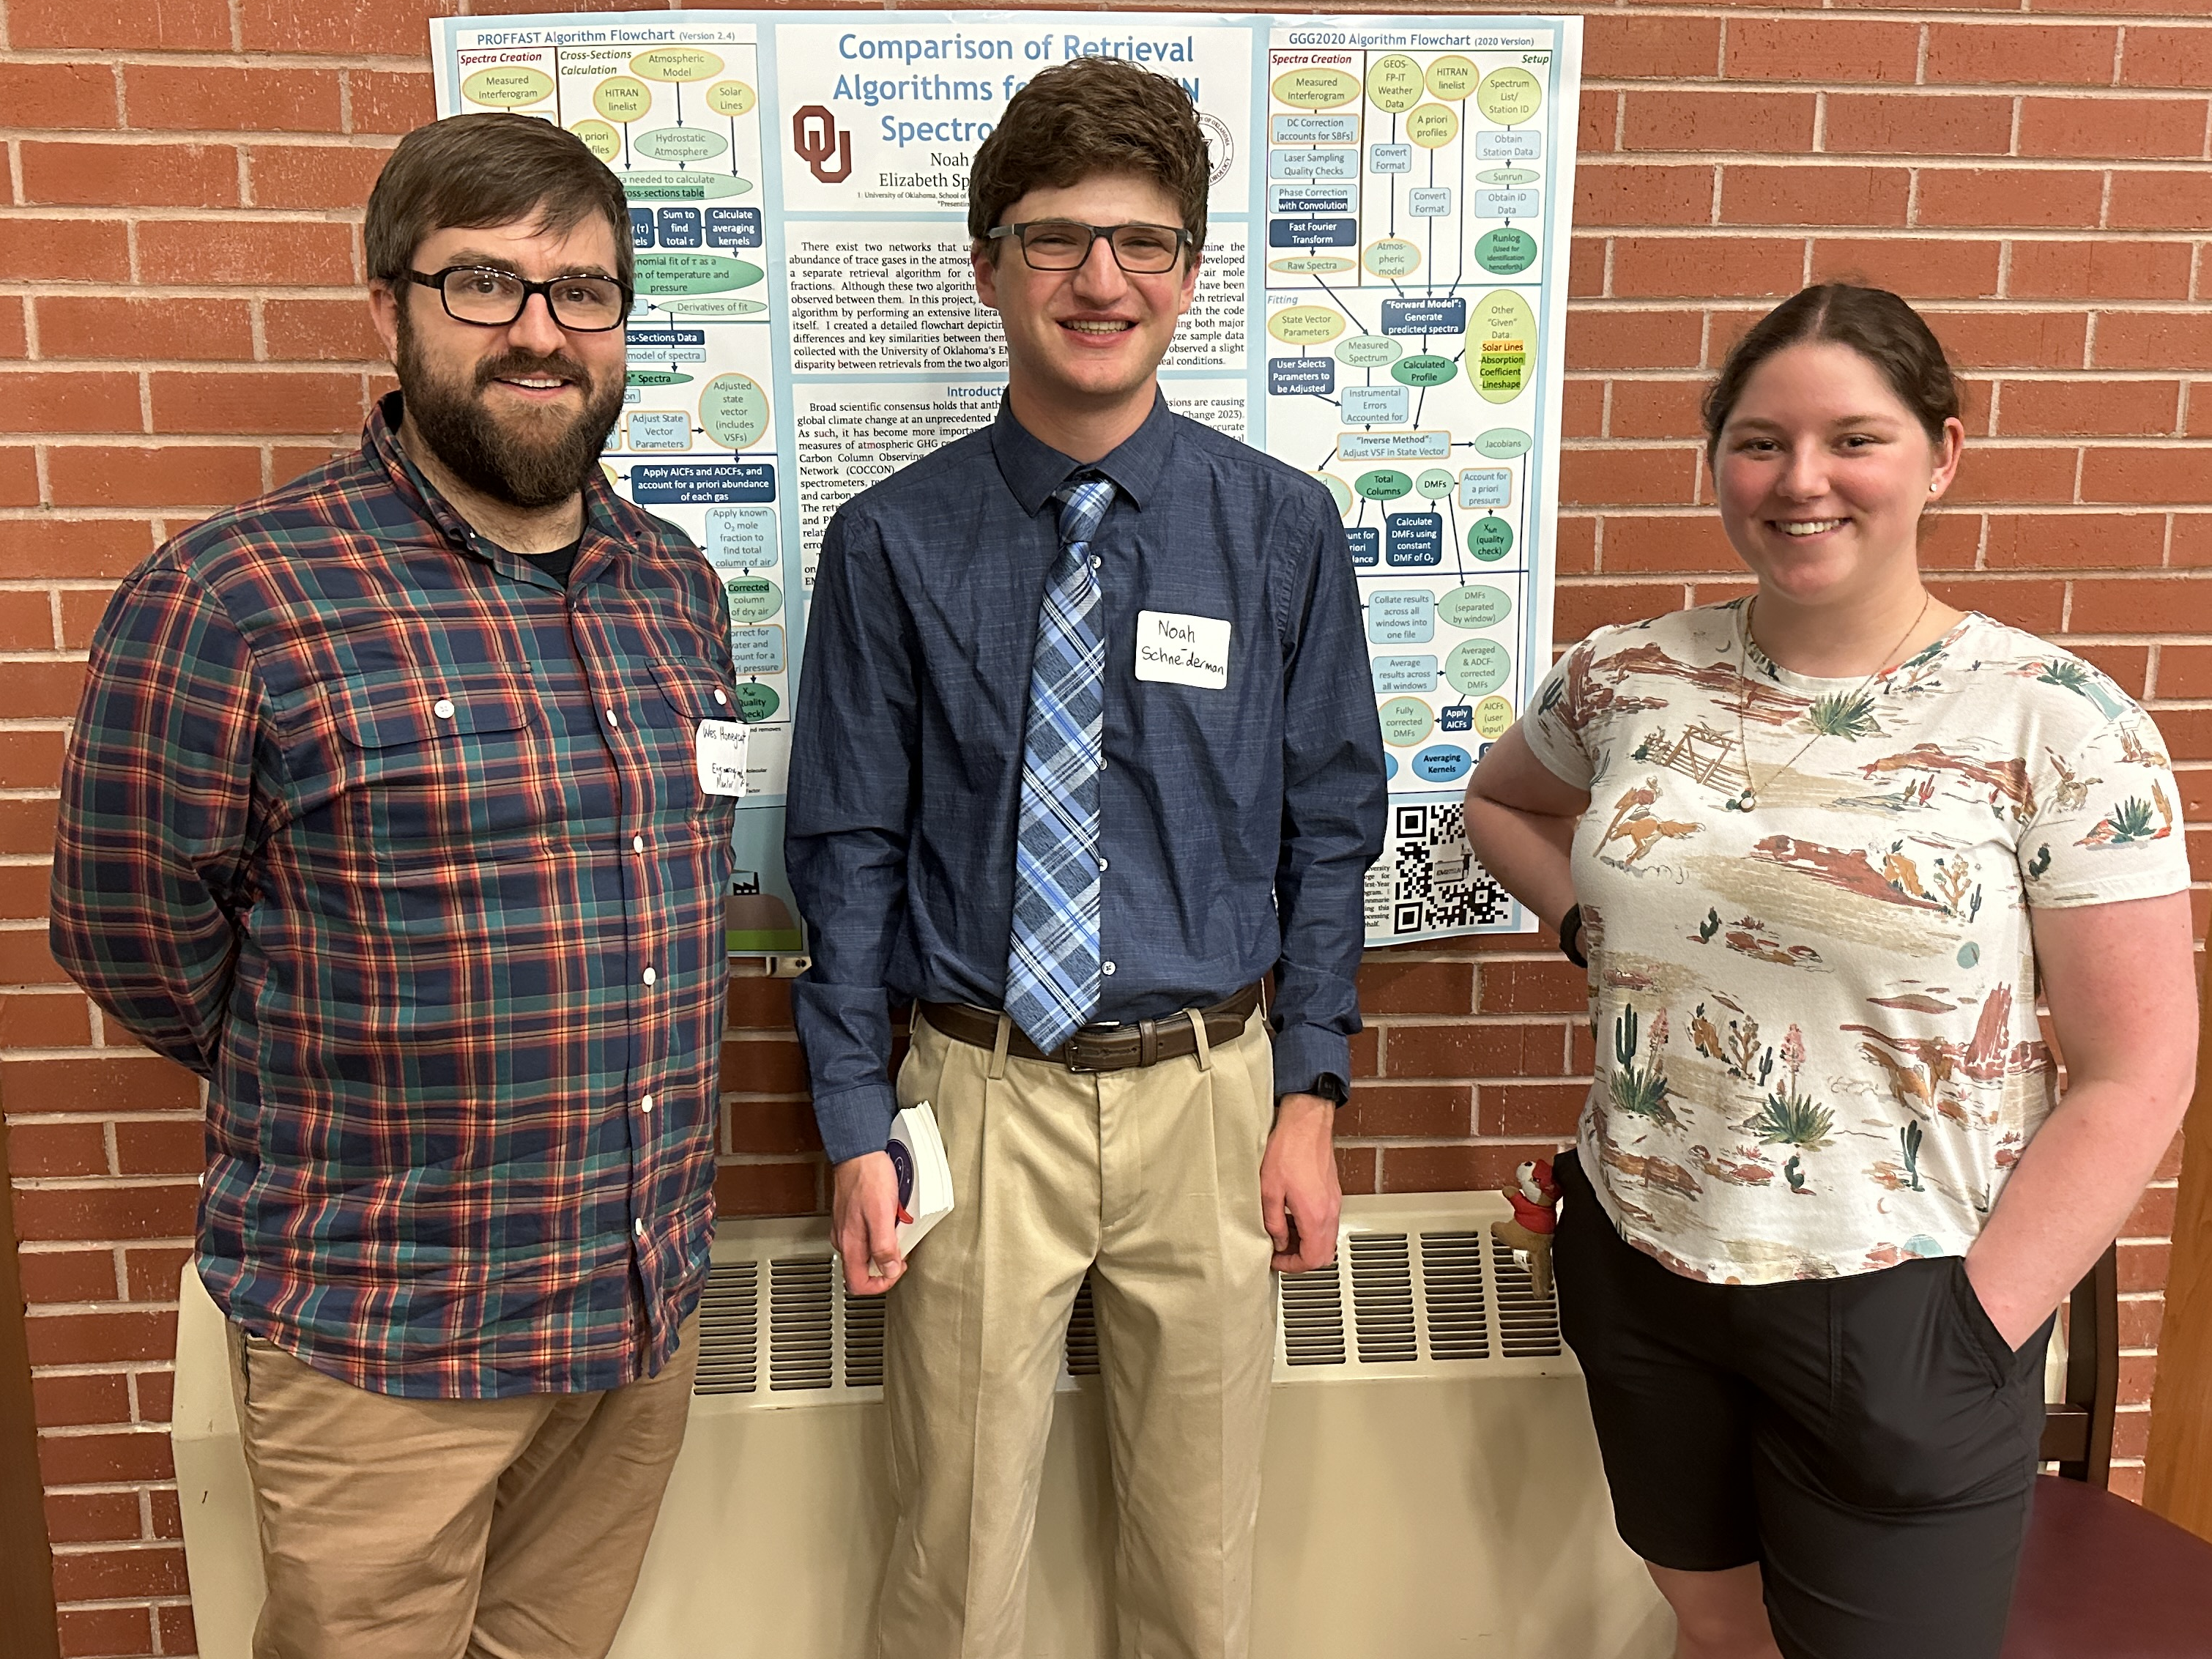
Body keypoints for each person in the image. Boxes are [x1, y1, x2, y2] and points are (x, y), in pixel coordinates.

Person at [49, 113, 739, 1658]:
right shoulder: (234, 599)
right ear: (391, 308)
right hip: (385, 1335)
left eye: (583, 291)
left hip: (628, 1316)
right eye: (485, 285)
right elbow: (132, 938)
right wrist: (344, 1071)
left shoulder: (675, 587)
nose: (540, 334)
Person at [1463, 283, 2196, 1659]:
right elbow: (1501, 803)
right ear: (1717, 462)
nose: (1801, 482)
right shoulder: (1628, 676)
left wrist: (1980, 1327)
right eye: (1759, 441)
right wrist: (1592, 928)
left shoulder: (2061, 722)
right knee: (1717, 1628)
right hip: (1644, 1263)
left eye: (1853, 439)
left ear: (1943, 454)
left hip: (1907, 1293)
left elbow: (2138, 1067)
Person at [784, 56, 1387, 1659]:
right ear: (988, 265)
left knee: (1198, 1564)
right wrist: (855, 1117)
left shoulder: (1279, 528)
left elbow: (1331, 827)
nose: (1098, 280)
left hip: (1213, 1093)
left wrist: (1309, 1098)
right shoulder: (891, 542)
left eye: (1141, 241)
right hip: (974, 1094)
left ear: (1191, 272)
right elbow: (842, 848)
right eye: (1054, 239)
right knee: (950, 1555)